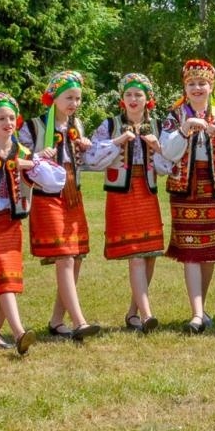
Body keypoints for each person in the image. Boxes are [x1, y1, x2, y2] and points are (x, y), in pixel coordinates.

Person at [156, 59, 215, 332]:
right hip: (186, 191)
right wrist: (185, 129)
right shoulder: (174, 117)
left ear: (211, 87)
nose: (197, 88)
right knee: (190, 252)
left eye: (202, 83)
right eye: (191, 84)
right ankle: (196, 314)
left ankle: (201, 308)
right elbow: (168, 152)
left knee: (209, 252)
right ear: (184, 88)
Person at [0, 91, 65, 356]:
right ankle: (20, 332)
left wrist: (34, 162)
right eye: (1, 118)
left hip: (12, 222)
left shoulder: (24, 151)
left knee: (8, 277)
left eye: (12, 117)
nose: (8, 122)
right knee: (2, 274)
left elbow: (55, 180)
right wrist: (19, 163)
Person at [84, 74, 167, 333]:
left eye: (138, 95)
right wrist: (119, 141)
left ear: (147, 100)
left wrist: (159, 146)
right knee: (135, 256)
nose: (133, 100)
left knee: (150, 255)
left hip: (147, 192)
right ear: (122, 99)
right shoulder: (110, 125)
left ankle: (132, 313)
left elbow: (169, 164)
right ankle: (147, 314)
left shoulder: (158, 126)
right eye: (129, 95)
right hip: (122, 194)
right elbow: (92, 159)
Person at [21, 70, 98, 340]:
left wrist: (86, 149)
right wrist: (36, 155)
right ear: (53, 97)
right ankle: (79, 322)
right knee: (64, 256)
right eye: (69, 98)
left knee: (75, 257)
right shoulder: (33, 126)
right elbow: (15, 155)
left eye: (77, 99)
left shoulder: (78, 126)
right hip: (47, 196)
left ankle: (57, 320)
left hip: (72, 194)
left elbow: (82, 163)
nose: (74, 104)